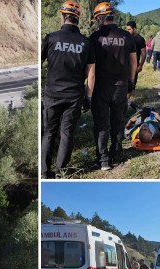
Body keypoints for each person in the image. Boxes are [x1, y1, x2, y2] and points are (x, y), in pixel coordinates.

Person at [41, 0, 96, 178]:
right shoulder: (86, 43)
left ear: (63, 16)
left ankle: (43, 171)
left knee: (49, 133)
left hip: (52, 94)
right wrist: (88, 98)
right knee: (66, 134)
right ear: (78, 19)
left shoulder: (51, 38)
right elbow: (91, 74)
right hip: (74, 96)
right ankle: (60, 172)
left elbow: (38, 64)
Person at [90, 2, 134, 170]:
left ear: (100, 18)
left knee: (101, 123)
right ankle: (116, 155)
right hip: (121, 85)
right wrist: (131, 81)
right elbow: (133, 61)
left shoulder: (95, 37)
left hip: (101, 87)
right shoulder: (126, 36)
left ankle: (103, 160)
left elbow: (90, 66)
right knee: (117, 121)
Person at [125, 21, 147, 106]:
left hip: (134, 66)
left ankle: (126, 101)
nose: (128, 31)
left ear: (134, 29)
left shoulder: (140, 39)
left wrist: (141, 65)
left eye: (129, 29)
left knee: (131, 85)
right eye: (127, 29)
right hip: (125, 65)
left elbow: (144, 53)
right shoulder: (126, 37)